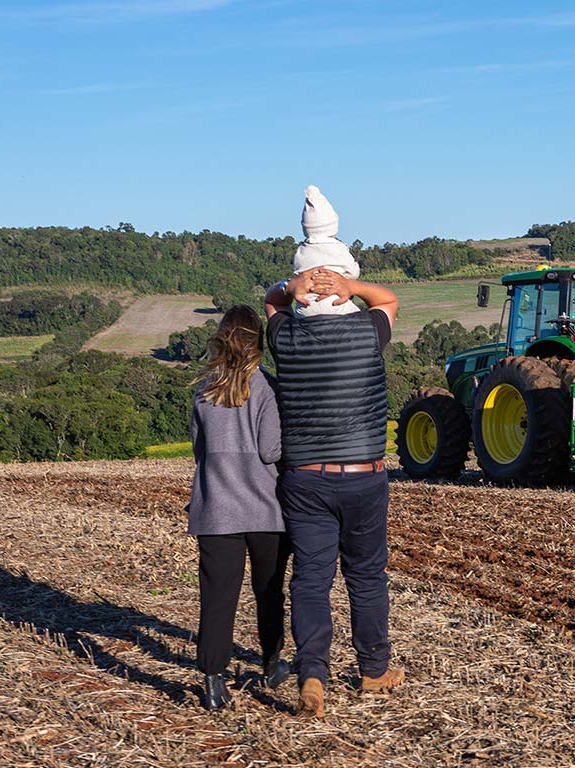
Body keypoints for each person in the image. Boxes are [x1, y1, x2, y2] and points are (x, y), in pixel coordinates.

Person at [264, 268, 404, 719]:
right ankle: (374, 670)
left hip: (305, 479)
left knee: (311, 578)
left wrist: (292, 287)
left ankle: (311, 676)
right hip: (364, 475)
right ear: (342, 299)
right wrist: (354, 288)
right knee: (365, 576)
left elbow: (273, 301)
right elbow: (389, 300)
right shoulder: (367, 332)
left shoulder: (285, 340)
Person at [185, 305, 291, 710]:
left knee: (217, 596)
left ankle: (213, 680)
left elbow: (200, 451)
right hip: (266, 509)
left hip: (216, 511)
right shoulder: (267, 388)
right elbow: (270, 450)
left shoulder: (204, 390)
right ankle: (271, 663)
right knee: (268, 591)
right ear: (258, 341)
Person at [291, 185, 362, 318]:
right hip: (337, 304)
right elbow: (353, 273)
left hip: (307, 307)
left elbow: (297, 273)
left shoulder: (301, 250)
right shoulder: (339, 248)